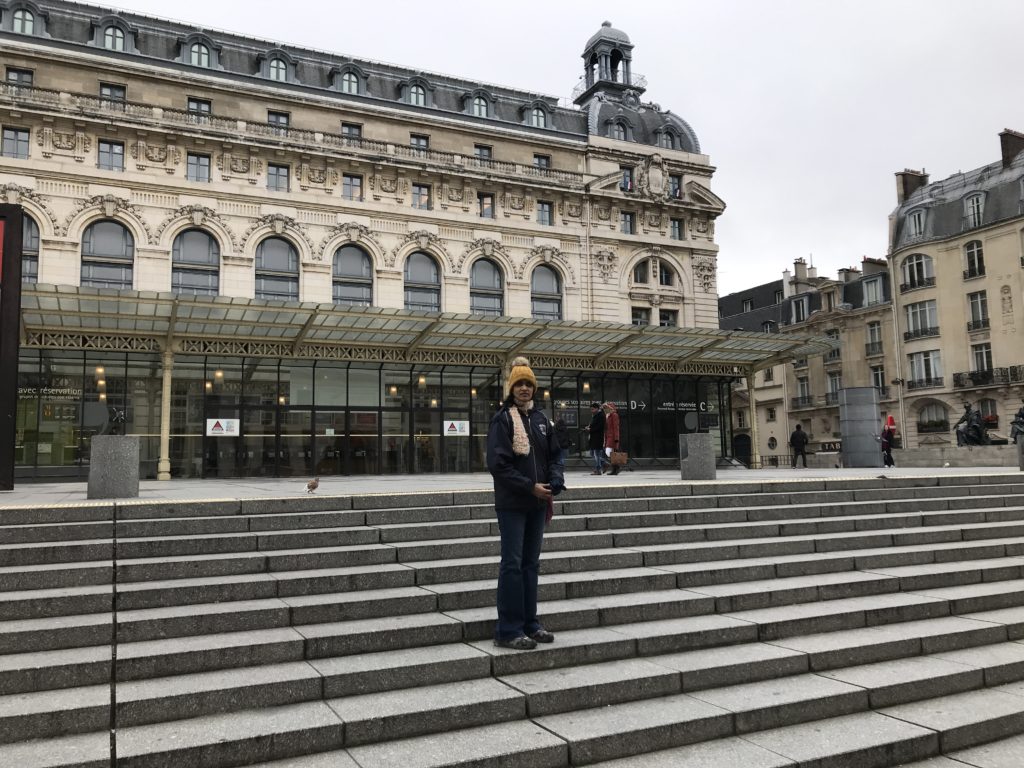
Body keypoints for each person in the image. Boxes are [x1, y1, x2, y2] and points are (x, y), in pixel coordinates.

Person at [486, 356, 564, 651]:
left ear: (534, 388)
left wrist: (554, 481)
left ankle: (530, 624)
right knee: (513, 565)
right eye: (518, 384)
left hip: (537, 503)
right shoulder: (503, 420)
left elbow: (555, 456)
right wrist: (529, 487)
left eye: (527, 384)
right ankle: (508, 629)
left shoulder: (542, 420)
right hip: (513, 504)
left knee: (531, 564)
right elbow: (499, 465)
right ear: (511, 388)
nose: (523, 389)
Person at [584, 402, 608, 475]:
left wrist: (590, 429)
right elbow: (593, 425)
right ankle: (604, 463)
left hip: (598, 437)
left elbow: (600, 427)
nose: (592, 411)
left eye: (593, 409)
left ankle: (598, 470)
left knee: (596, 454)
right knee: (592, 453)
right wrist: (589, 427)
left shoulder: (601, 416)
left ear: (597, 409)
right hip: (594, 437)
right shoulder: (595, 415)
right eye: (591, 409)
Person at [602, 402, 621, 475]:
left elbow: (616, 427)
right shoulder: (608, 416)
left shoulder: (614, 415)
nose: (605, 409)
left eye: (606, 408)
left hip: (612, 437)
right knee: (611, 453)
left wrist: (616, 438)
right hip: (608, 436)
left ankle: (616, 467)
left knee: (608, 452)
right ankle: (615, 469)